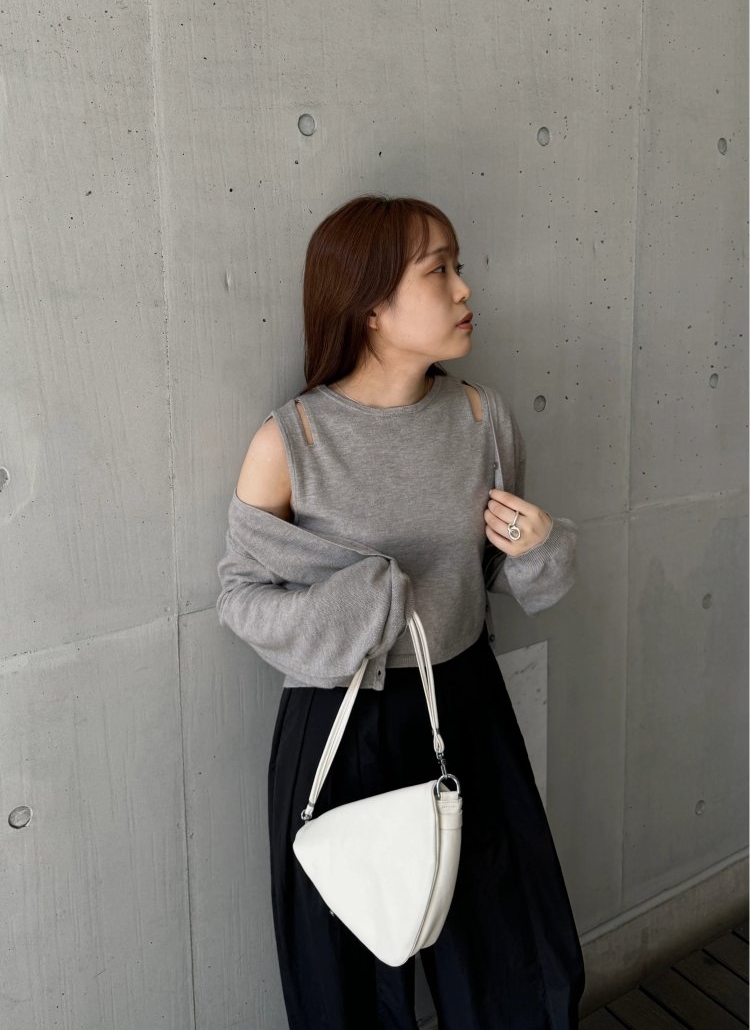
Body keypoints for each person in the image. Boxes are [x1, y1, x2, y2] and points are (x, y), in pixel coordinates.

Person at [216, 195, 586, 1029]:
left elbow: (500, 576)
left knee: (511, 960)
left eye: (460, 266)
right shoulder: (294, 441)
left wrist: (542, 547)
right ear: (371, 305)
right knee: (345, 983)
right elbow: (240, 597)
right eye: (438, 270)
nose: (464, 289)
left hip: (467, 703)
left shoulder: (482, 419)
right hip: (341, 722)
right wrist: (366, 602)